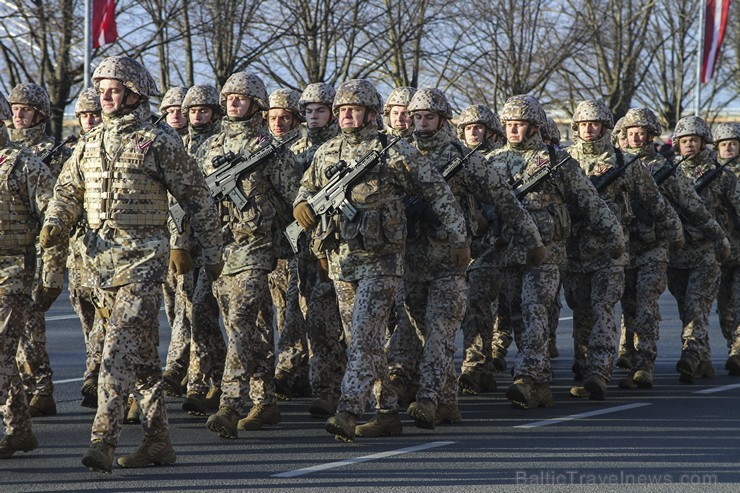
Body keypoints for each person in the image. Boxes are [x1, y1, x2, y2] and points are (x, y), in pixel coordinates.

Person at [39, 55, 223, 473]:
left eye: (114, 88)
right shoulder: (88, 142)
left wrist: (212, 254)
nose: (105, 95)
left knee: (115, 352)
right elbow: (67, 191)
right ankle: (159, 441)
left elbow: (197, 199)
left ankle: (102, 441)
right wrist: (54, 222)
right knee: (141, 361)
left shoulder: (159, 141)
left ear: (135, 93)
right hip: (99, 265)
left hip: (143, 263)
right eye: (101, 88)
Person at [293, 79, 467, 441]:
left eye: (353, 110)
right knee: (362, 339)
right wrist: (302, 206)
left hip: (383, 260)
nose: (346, 116)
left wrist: (459, 238)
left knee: (365, 336)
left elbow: (437, 192)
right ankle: (387, 409)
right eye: (341, 111)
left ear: (371, 114)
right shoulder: (327, 152)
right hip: (342, 259)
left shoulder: (393, 151)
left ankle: (349, 410)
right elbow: (307, 189)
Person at [400, 88, 543, 428]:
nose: (422, 124)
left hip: (452, 260)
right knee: (424, 332)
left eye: (429, 117)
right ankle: (449, 402)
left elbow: (505, 200)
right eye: (417, 117)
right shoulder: (399, 155)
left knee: (440, 332)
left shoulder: (463, 158)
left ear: (442, 120)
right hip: (409, 260)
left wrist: (533, 240)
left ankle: (429, 399)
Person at [489, 95, 624, 409]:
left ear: (534, 127)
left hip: (548, 253)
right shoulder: (493, 161)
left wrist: (614, 234)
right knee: (518, 315)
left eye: (519, 124)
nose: (512, 130)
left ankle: (525, 376)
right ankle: (539, 382)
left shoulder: (557, 161)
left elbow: (589, 201)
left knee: (535, 307)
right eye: (508, 124)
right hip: (509, 251)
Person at [201, 73, 302, 438]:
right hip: (220, 249)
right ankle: (266, 400)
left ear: (256, 104)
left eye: (242, 98)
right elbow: (194, 197)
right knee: (245, 328)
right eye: (229, 97)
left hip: (256, 248)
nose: (233, 102)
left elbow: (296, 198)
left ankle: (230, 404)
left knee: (242, 323)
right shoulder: (210, 147)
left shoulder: (269, 148)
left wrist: (299, 242)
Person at [564, 100, 681, 400]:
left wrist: (675, 232)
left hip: (611, 252)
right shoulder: (563, 161)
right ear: (576, 127)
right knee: (581, 312)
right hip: (574, 252)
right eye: (584, 124)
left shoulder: (625, 162)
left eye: (595, 124)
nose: (589, 129)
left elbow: (655, 202)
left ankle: (600, 373)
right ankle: (584, 363)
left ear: (604, 126)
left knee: (605, 310)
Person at [0, 90, 65, 459]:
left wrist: (50, 277)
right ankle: (20, 429)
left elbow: (53, 224)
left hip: (14, 271)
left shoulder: (24, 165)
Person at [9, 82, 72, 417]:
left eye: (26, 109)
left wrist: (53, 268)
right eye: (15, 108)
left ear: (40, 114)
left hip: (35, 249)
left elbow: (59, 209)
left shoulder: (54, 153)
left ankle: (41, 388)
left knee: (30, 325)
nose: (19, 115)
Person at [290, 83, 346, 418]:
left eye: (320, 110)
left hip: (341, 245)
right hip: (306, 247)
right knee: (316, 321)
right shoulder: (292, 148)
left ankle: (348, 388)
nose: (313, 116)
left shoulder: (344, 147)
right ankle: (324, 388)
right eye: (308, 111)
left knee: (346, 321)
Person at [172, 85, 228, 416]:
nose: (197, 116)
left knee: (205, 312)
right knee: (193, 314)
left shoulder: (221, 145)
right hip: (186, 243)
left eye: (204, 111)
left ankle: (213, 382)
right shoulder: (178, 146)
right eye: (193, 111)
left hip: (219, 242)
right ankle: (207, 379)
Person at [668, 116, 733, 383]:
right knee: (686, 308)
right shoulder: (667, 173)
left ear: (704, 142)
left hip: (707, 251)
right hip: (677, 253)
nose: (689, 145)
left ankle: (691, 354)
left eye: (694, 140)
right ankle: (703, 361)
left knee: (698, 306)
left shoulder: (722, 175)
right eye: (684, 141)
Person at [455, 104, 509, 394]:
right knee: (466, 309)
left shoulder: (499, 162)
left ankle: (474, 366)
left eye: (478, 128)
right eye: (468, 128)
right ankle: (482, 366)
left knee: (478, 305)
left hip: (489, 247)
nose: (473, 133)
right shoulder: (454, 160)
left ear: (490, 132)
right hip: (458, 245)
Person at [266, 88, 312, 399]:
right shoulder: (263, 146)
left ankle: (293, 368)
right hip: (274, 242)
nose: (279, 123)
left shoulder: (307, 146)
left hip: (302, 240)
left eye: (285, 117)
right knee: (282, 308)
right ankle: (293, 368)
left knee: (300, 307)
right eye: (273, 118)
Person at [69, 88, 105, 408]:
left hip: (104, 249)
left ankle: (95, 375)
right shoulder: (72, 151)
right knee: (85, 315)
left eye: (95, 114)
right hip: (76, 251)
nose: (90, 120)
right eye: (84, 116)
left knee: (105, 318)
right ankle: (95, 368)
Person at [714, 122, 740, 375]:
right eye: (724, 144)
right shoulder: (712, 174)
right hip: (721, 252)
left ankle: (738, 350)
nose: (729, 147)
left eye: (733, 143)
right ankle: (733, 344)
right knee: (725, 308)